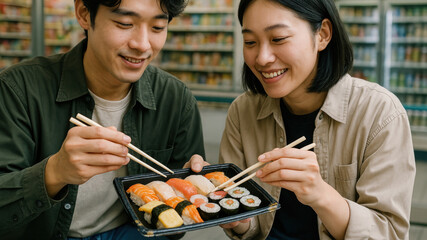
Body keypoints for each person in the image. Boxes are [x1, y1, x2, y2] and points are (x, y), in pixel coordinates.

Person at [0, 0, 209, 239]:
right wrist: (54, 172)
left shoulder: (176, 100)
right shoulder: (18, 90)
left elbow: (175, 227)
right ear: (84, 14)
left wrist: (185, 188)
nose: (142, 44)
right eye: (125, 23)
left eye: (158, 28)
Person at [218, 0, 416, 239]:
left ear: (322, 35)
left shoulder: (379, 113)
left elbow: (390, 232)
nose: (262, 58)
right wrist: (233, 216)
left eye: (278, 38)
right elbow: (250, 227)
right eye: (250, 42)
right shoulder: (243, 111)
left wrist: (320, 194)